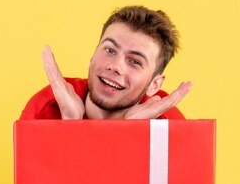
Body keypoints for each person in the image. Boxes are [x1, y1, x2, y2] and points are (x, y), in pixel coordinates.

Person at [20, 6, 192, 120]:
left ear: (154, 85)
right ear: (93, 55)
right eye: (110, 50)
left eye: (134, 62)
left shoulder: (169, 124)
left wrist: (132, 131)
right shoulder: (45, 108)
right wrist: (70, 124)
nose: (115, 66)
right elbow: (38, 176)